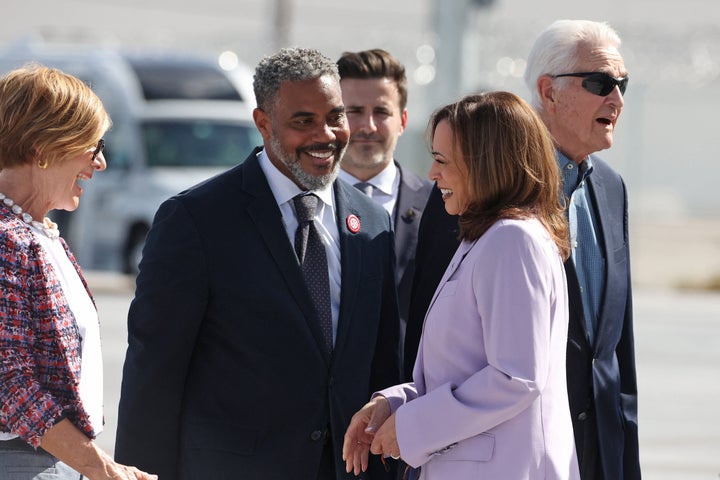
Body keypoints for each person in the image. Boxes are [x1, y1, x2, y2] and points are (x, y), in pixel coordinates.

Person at [114, 47, 400, 480]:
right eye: (303, 121)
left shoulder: (372, 223)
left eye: (335, 117)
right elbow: (152, 376)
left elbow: (382, 368)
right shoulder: (196, 220)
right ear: (263, 123)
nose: (326, 135)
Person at [343, 91, 579, 479]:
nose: (432, 174)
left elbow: (515, 377)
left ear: (486, 165)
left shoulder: (512, 241)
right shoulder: (484, 239)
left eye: (441, 160)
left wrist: (410, 427)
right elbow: (459, 372)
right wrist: (394, 404)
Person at [0, 65, 156, 480]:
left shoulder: (37, 232)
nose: (100, 163)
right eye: (92, 145)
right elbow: (8, 381)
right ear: (43, 147)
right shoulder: (6, 239)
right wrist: (102, 468)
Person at [524, 19, 640, 480]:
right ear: (548, 92)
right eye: (600, 83)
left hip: (599, 456)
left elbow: (617, 353)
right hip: (523, 453)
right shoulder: (490, 184)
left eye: (621, 84)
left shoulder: (612, 190)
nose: (617, 99)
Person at [336, 49, 433, 372]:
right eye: (354, 111)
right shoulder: (301, 206)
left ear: (403, 120)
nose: (368, 125)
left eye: (381, 111)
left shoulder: (442, 207)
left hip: (413, 401)